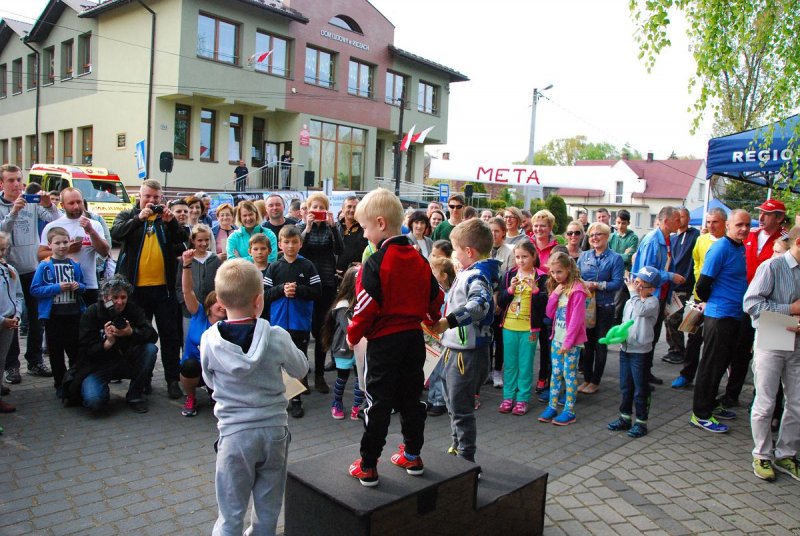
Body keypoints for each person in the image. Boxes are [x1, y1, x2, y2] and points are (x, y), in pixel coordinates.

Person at [200, 259, 308, 535]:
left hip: (234, 435)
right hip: (274, 432)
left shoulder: (210, 340)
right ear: (259, 300)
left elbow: (209, 381)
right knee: (268, 510)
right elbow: (301, 369)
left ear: (220, 301)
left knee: (230, 514)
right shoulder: (277, 337)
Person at [346, 188, 443, 487]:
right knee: (412, 399)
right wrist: (431, 319)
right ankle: (412, 455)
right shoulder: (420, 259)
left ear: (380, 223)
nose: (364, 234)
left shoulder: (375, 262)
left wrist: (353, 335)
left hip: (384, 344)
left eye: (365, 228)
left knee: (377, 403)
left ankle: (368, 465)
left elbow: (365, 306)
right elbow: (435, 296)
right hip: (414, 340)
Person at [111, 179, 187, 399]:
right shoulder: (128, 215)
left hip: (164, 290)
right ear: (140, 196)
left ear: (161, 198)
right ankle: (143, 378)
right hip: (136, 291)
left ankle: (172, 379)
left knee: (170, 336)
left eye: (156, 197)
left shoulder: (165, 218)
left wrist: (171, 223)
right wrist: (139, 218)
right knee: (140, 336)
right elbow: (116, 233)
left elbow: (182, 238)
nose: (152, 201)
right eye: (148, 196)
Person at [431, 219, 498, 461]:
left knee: (461, 408)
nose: (454, 255)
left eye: (455, 250)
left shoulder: (477, 276)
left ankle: (466, 459)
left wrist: (447, 322)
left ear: (468, 251)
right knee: (452, 403)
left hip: (466, 354)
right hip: (454, 350)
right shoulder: (467, 272)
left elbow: (478, 306)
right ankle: (457, 445)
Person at [743, 225, 800, 482]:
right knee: (766, 402)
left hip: (797, 341)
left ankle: (786, 454)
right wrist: (790, 309)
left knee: (797, 403)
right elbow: (751, 303)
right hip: (772, 337)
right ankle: (762, 454)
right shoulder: (772, 267)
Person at [724, 198, 790, 409]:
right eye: (760, 212)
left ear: (779, 218)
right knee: (740, 351)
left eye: (767, 214)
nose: (761, 217)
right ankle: (731, 395)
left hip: (776, 307)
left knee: (773, 358)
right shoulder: (751, 235)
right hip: (750, 303)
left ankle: (767, 405)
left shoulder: (787, 240)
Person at [689, 209, 751, 433]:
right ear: (728, 226)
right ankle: (700, 414)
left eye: (747, 225)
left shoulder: (739, 247)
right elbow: (702, 285)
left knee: (722, 364)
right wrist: (710, 303)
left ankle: (711, 404)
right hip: (719, 316)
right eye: (739, 225)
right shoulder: (720, 248)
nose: (744, 229)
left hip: (734, 315)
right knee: (711, 365)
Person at [0, 164, 60, 384]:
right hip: (8, 270)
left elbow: (55, 220)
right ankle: (12, 366)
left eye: (19, 180)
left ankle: (34, 361)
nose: (16, 184)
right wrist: (14, 211)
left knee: (37, 319)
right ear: (2, 184)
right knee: (11, 320)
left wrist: (49, 204)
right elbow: (2, 232)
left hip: (32, 268)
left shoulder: (31, 202)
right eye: (11, 180)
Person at [76, 275, 159, 413]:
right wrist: (107, 343)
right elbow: (85, 351)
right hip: (97, 366)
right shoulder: (92, 313)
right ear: (105, 298)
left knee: (150, 349)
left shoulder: (132, 309)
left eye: (123, 297)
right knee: (94, 401)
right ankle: (99, 391)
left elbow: (153, 336)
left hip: (125, 361)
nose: (119, 302)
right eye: (115, 298)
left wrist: (131, 332)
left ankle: (135, 395)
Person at [264, 225, 321, 418]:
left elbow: (317, 292)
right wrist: (281, 289)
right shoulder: (274, 267)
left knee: (298, 359)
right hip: (279, 323)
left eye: (294, 242)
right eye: (286, 242)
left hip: (300, 322)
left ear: (300, 243)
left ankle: (296, 399)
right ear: (280, 244)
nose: (290, 246)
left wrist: (299, 290)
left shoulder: (308, 266)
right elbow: (265, 295)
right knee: (279, 360)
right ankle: (282, 397)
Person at [671, 208, 727, 389]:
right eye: (708, 222)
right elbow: (696, 261)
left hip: (719, 301)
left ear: (725, 223)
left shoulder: (729, 242)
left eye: (715, 222)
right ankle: (686, 375)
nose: (711, 226)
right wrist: (699, 283)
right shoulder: (701, 240)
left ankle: (709, 382)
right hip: (698, 297)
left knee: (714, 342)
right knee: (693, 336)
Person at [31, 226, 87, 396]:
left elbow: (83, 286)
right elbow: (35, 289)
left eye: (65, 242)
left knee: (74, 350)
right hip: (53, 316)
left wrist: (78, 286)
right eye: (57, 243)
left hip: (74, 314)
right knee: (56, 352)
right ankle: (60, 384)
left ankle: (75, 382)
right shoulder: (44, 266)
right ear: (50, 245)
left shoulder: (74, 265)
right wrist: (57, 287)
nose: (62, 246)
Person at [631, 206, 684, 385]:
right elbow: (646, 273)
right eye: (677, 219)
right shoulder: (653, 241)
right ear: (666, 221)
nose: (680, 223)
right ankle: (641, 377)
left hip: (660, 294)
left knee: (652, 336)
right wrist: (670, 276)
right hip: (650, 295)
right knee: (647, 337)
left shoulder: (667, 239)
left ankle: (646, 373)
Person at [607, 266, 661, 439]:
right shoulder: (631, 301)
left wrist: (633, 293)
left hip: (640, 352)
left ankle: (641, 422)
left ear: (651, 289)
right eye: (635, 282)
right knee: (625, 386)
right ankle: (625, 417)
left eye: (640, 284)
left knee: (640, 388)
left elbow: (641, 311)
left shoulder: (652, 302)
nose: (635, 286)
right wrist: (617, 336)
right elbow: (625, 322)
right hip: (626, 349)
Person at [298, 192, 343, 394]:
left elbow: (340, 250)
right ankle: (302, 376)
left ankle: (320, 375)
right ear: (308, 209)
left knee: (322, 330)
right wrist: (307, 228)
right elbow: (299, 250)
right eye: (314, 207)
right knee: (303, 331)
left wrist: (333, 227)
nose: (317, 211)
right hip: (306, 282)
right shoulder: (301, 228)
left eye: (321, 207)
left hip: (326, 282)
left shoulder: (331, 227)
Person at [496, 241, 546, 416]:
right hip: (509, 326)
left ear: (534, 256)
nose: (521, 260)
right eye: (517, 257)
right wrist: (510, 290)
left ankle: (522, 399)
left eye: (525, 256)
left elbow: (546, 306)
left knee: (525, 365)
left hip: (529, 329)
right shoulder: (509, 275)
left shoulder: (542, 277)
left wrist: (536, 291)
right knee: (510, 365)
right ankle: (508, 397)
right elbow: (500, 301)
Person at [537, 252, 587, 426]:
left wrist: (568, 342)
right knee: (556, 373)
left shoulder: (577, 290)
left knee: (569, 375)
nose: (555, 276)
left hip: (571, 342)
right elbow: (549, 313)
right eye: (552, 272)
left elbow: (576, 320)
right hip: (557, 338)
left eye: (559, 272)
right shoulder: (558, 287)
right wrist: (554, 295)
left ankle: (569, 411)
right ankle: (552, 407)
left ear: (568, 269)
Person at [39, 188, 109, 307]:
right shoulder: (53, 226)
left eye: (79, 202)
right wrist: (66, 250)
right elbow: (40, 255)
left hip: (88, 285)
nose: (76, 206)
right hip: (60, 285)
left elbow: (104, 252)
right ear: (62, 205)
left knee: (88, 318)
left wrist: (91, 232)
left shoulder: (94, 224)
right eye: (71, 203)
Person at [577, 222, 624, 394]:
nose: (595, 238)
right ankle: (587, 379)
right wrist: (583, 284)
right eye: (592, 235)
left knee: (600, 345)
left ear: (607, 236)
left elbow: (617, 283)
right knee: (587, 345)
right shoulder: (584, 256)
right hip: (587, 306)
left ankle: (595, 381)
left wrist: (597, 285)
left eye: (599, 234)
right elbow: (576, 276)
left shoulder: (615, 258)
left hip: (604, 307)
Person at [178, 248, 226, 418]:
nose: (222, 306)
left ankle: (216, 394)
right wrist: (186, 266)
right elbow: (187, 291)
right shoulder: (198, 313)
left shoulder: (229, 322)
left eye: (224, 302)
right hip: (196, 368)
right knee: (189, 365)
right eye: (218, 302)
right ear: (209, 305)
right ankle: (191, 397)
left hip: (219, 369)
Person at [320, 265, 364, 420]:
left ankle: (357, 405)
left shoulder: (363, 301)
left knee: (360, 378)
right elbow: (348, 328)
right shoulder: (342, 306)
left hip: (359, 347)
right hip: (343, 348)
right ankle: (336, 402)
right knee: (342, 378)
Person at [662, 207, 700, 364]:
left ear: (688, 219)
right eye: (676, 218)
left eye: (682, 217)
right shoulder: (672, 238)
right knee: (668, 319)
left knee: (674, 318)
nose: (679, 221)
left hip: (685, 286)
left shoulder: (695, 235)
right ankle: (674, 349)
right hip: (670, 285)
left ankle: (678, 351)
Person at [531, 210, 559, 395]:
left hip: (549, 299)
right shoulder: (528, 244)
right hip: (530, 299)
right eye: (536, 225)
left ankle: (544, 377)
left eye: (543, 226)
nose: (539, 229)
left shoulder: (556, 247)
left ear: (550, 228)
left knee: (546, 342)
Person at [176, 224, 221, 336]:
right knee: (191, 338)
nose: (204, 243)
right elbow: (179, 285)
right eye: (200, 240)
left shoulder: (215, 259)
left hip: (212, 310)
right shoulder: (186, 259)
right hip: (190, 311)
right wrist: (184, 302)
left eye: (207, 240)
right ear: (193, 240)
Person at [427, 256, 456, 417]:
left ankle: (439, 400)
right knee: (431, 367)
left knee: (440, 369)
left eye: (434, 272)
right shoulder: (435, 290)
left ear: (444, 276)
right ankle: (432, 398)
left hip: (443, 334)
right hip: (432, 333)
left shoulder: (449, 293)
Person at [0, 232, 21, 417]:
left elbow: (18, 295)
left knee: (2, 358)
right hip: (2, 320)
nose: (1, 253)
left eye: (3, 249)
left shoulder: (9, 270)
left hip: (9, 321)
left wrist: (17, 314)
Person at [608, 209, 639, 325]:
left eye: (623, 223)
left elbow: (628, 257)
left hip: (623, 275)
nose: (620, 226)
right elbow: (607, 255)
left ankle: (616, 328)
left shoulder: (633, 238)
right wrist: (621, 255)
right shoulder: (611, 237)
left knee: (618, 305)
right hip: (610, 273)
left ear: (628, 223)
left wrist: (614, 255)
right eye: (618, 222)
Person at [337, 195, 368, 278]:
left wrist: (364, 264)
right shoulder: (335, 228)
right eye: (349, 206)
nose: (352, 210)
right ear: (343, 209)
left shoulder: (366, 228)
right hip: (337, 276)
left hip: (358, 276)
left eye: (355, 207)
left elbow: (372, 250)